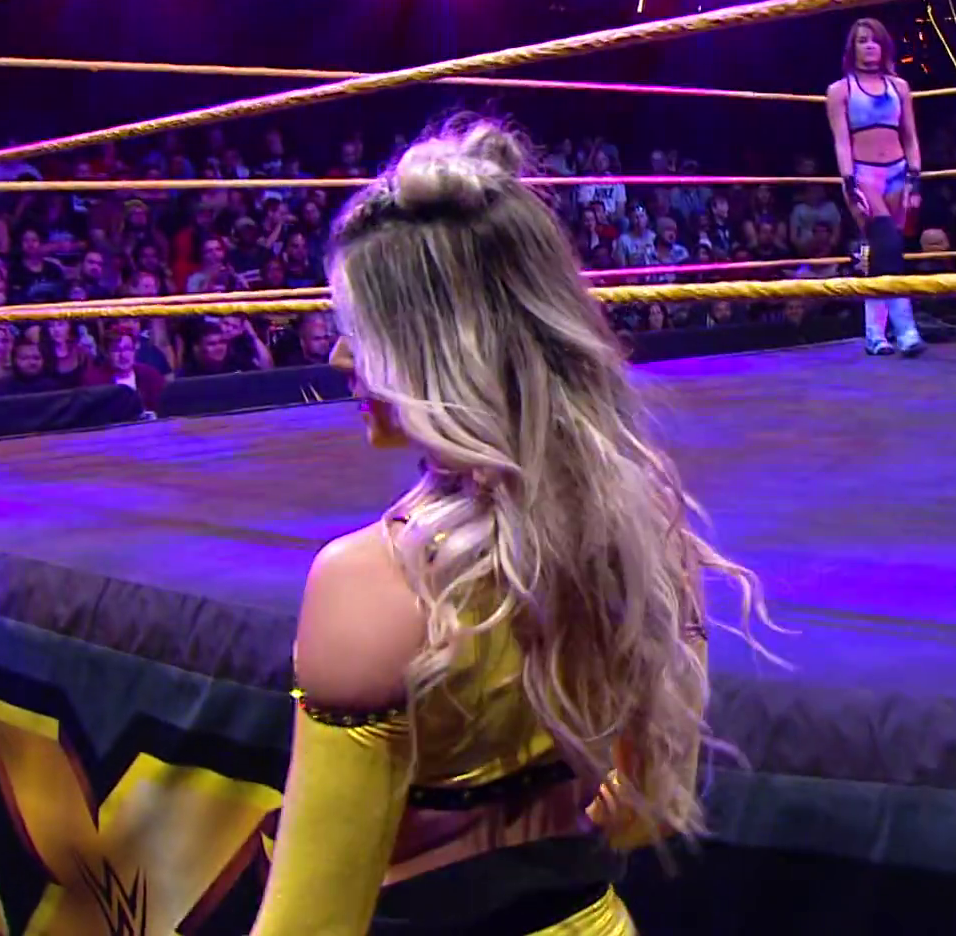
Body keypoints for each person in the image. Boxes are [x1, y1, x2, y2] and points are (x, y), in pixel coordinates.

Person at [250, 117, 773, 936]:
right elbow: (646, 807)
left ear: (437, 353)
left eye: (361, 332)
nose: (340, 360)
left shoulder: (371, 579)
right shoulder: (641, 517)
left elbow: (310, 926)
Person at [826, 18, 927, 357]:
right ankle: (906, 330)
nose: (869, 46)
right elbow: (841, 141)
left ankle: (874, 334)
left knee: (884, 253)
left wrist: (914, 176)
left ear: (884, 47)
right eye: (862, 40)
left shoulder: (899, 87)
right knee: (886, 243)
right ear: (852, 48)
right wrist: (848, 179)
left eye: (874, 40)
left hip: (898, 171)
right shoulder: (840, 90)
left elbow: (910, 136)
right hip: (863, 175)